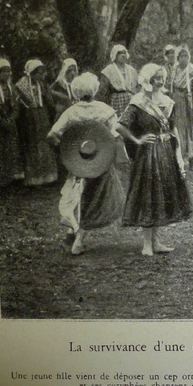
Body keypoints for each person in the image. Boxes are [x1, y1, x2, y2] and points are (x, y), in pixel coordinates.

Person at [47, 72, 126, 255]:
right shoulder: (104, 110)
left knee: (78, 194)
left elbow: (52, 135)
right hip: (100, 161)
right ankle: (79, 240)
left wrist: (65, 151)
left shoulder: (71, 112)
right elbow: (116, 134)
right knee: (95, 199)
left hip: (78, 161)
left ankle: (72, 232)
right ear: (94, 89)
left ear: (76, 92)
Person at [118, 63, 193, 256]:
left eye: (162, 78)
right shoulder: (138, 102)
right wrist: (137, 139)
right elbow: (120, 126)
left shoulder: (167, 101)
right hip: (148, 156)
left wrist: (178, 151)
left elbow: (173, 127)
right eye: (156, 78)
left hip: (165, 153)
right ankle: (146, 244)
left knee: (161, 195)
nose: (160, 81)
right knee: (148, 195)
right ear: (148, 79)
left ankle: (156, 241)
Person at [14, 59, 58, 186]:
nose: (39, 76)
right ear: (30, 73)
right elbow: (19, 104)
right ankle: (34, 178)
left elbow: (48, 99)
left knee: (44, 143)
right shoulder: (21, 86)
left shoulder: (42, 85)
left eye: (41, 73)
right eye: (37, 73)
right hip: (29, 118)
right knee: (32, 144)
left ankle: (47, 176)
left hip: (42, 116)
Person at [168, 46, 193, 170]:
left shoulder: (191, 70)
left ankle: (191, 159)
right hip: (175, 101)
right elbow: (170, 85)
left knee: (189, 130)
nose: (184, 59)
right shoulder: (174, 69)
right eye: (181, 56)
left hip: (187, 101)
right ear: (178, 58)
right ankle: (178, 158)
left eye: (186, 56)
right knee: (176, 129)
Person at [0, 58, 23, 186]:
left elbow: (16, 106)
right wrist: (1, 120)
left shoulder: (12, 88)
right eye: (4, 72)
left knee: (11, 148)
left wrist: (11, 119)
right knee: (0, 149)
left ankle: (11, 177)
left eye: (9, 71)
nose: (7, 74)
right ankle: (0, 179)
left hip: (10, 122)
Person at [99, 44, 139, 116]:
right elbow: (103, 92)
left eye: (124, 53)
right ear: (115, 55)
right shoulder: (109, 70)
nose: (123, 55)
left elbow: (136, 87)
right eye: (120, 53)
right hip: (115, 101)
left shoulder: (131, 70)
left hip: (130, 101)